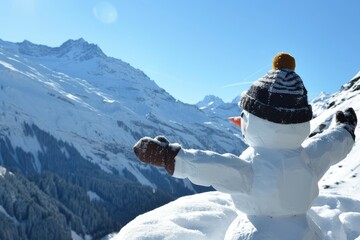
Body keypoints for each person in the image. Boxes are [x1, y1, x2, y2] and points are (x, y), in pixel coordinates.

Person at [133, 53, 357, 240]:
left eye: (245, 116)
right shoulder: (308, 157)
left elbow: (211, 166)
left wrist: (170, 157)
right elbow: (331, 146)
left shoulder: (253, 166)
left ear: (258, 120)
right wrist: (345, 128)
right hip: (304, 232)